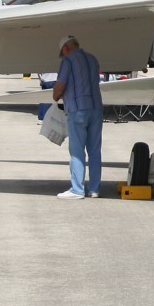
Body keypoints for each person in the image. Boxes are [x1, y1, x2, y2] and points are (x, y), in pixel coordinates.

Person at [53, 35, 103, 200]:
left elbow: (60, 86)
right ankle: (94, 189)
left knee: (77, 151)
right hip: (96, 108)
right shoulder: (92, 59)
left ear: (65, 49)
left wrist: (56, 96)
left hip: (77, 109)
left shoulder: (67, 61)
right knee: (95, 151)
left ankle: (77, 189)